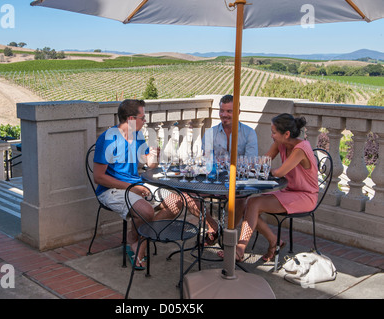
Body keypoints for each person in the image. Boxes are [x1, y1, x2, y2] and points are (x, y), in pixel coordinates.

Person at [93, 99, 200, 270]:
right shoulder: (107, 138)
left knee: (177, 201)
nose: (145, 122)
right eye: (142, 118)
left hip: (138, 185)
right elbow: (98, 177)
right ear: (130, 119)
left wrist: (152, 159)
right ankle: (137, 241)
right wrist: (132, 188)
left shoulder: (138, 136)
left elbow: (148, 165)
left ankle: (138, 240)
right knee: (146, 211)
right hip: (111, 190)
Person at [235, 113, 319, 262]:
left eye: (274, 133)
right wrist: (245, 167)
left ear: (286, 134)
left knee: (254, 203)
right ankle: (274, 241)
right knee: (246, 203)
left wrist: (263, 170)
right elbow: (265, 161)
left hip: (306, 196)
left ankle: (240, 249)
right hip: (288, 191)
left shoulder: (301, 149)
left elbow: (280, 172)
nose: (272, 136)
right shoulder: (281, 143)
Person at [201, 94, 259, 243]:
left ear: (238, 112)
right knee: (188, 195)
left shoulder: (249, 133)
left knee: (239, 198)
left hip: (237, 181)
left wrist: (224, 163)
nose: (224, 115)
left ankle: (229, 232)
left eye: (229, 111)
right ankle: (212, 225)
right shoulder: (210, 133)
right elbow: (206, 160)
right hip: (214, 180)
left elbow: (251, 162)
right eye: (222, 111)